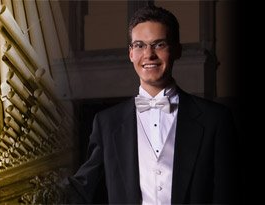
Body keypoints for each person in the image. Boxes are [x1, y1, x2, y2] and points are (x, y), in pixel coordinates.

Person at [63, 5, 239, 204]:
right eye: (139, 45)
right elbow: (82, 189)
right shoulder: (106, 123)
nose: (148, 54)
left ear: (177, 50)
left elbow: (228, 195)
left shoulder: (215, 119)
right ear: (130, 53)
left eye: (159, 44)